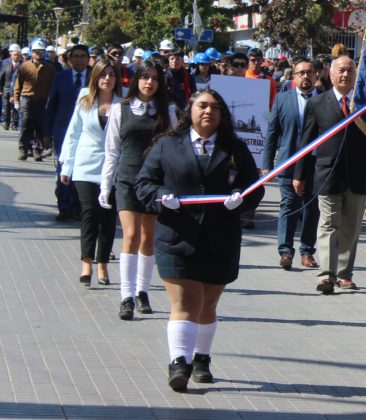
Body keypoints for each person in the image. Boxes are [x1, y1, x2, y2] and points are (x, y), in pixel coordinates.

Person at [135, 88, 264, 391]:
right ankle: (179, 362)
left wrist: (241, 200)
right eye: (202, 106)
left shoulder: (235, 148)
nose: (208, 112)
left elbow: (254, 188)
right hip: (177, 236)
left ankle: (201, 358)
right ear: (189, 111)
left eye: (215, 108)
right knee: (185, 300)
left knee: (207, 303)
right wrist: (159, 197)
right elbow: (143, 183)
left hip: (220, 238)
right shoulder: (166, 146)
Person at [99, 57, 178, 321]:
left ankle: (143, 291)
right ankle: (127, 296)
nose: (149, 83)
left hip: (155, 183)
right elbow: (112, 151)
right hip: (127, 179)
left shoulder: (166, 111)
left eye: (155, 78)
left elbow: (175, 150)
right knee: (130, 236)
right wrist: (105, 184)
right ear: (136, 80)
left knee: (148, 238)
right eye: (145, 77)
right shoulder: (121, 109)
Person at [295, 55, 366, 294]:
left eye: (350, 71)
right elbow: (306, 143)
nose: (345, 75)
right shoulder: (317, 104)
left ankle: (344, 274)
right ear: (330, 75)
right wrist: (299, 174)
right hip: (327, 175)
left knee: (351, 228)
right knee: (328, 224)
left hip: (357, 176)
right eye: (340, 70)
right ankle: (326, 275)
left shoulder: (365, 104)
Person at [59, 58, 122, 287]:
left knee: (107, 218)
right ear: (95, 77)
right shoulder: (85, 99)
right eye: (103, 74)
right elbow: (73, 132)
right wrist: (66, 166)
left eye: (111, 75)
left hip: (112, 169)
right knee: (89, 214)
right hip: (85, 167)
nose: (107, 79)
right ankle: (87, 262)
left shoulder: (122, 104)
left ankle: (103, 263)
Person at [262, 57, 320, 270]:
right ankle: (285, 251)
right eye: (301, 73)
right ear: (294, 77)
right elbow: (272, 132)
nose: (306, 76)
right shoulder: (282, 99)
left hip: (315, 165)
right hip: (288, 161)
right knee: (288, 206)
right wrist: (267, 164)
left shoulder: (323, 100)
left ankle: (307, 251)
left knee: (311, 209)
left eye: (310, 72)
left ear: (317, 76)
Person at [44, 45, 90, 221]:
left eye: (83, 56)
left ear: (88, 59)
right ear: (70, 59)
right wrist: (46, 133)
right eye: (76, 56)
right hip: (62, 131)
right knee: (63, 169)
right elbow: (51, 105)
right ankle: (64, 207)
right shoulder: (60, 78)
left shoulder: (95, 77)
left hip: (86, 133)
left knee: (80, 170)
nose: (79, 59)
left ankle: (78, 207)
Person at [14, 38, 55, 161]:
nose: (39, 53)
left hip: (42, 100)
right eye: (36, 51)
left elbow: (53, 86)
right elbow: (18, 84)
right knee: (26, 124)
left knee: (40, 126)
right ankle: (23, 149)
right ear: (32, 52)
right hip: (27, 99)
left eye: (41, 51)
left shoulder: (49, 67)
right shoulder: (25, 66)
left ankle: (38, 151)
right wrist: (16, 100)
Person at [1, 43, 23, 130]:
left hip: (17, 89)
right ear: (11, 55)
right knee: (6, 107)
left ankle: (14, 124)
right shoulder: (5, 63)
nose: (16, 57)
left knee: (16, 107)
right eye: (15, 55)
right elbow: (1, 77)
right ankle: (6, 122)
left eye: (18, 55)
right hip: (6, 88)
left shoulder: (23, 64)